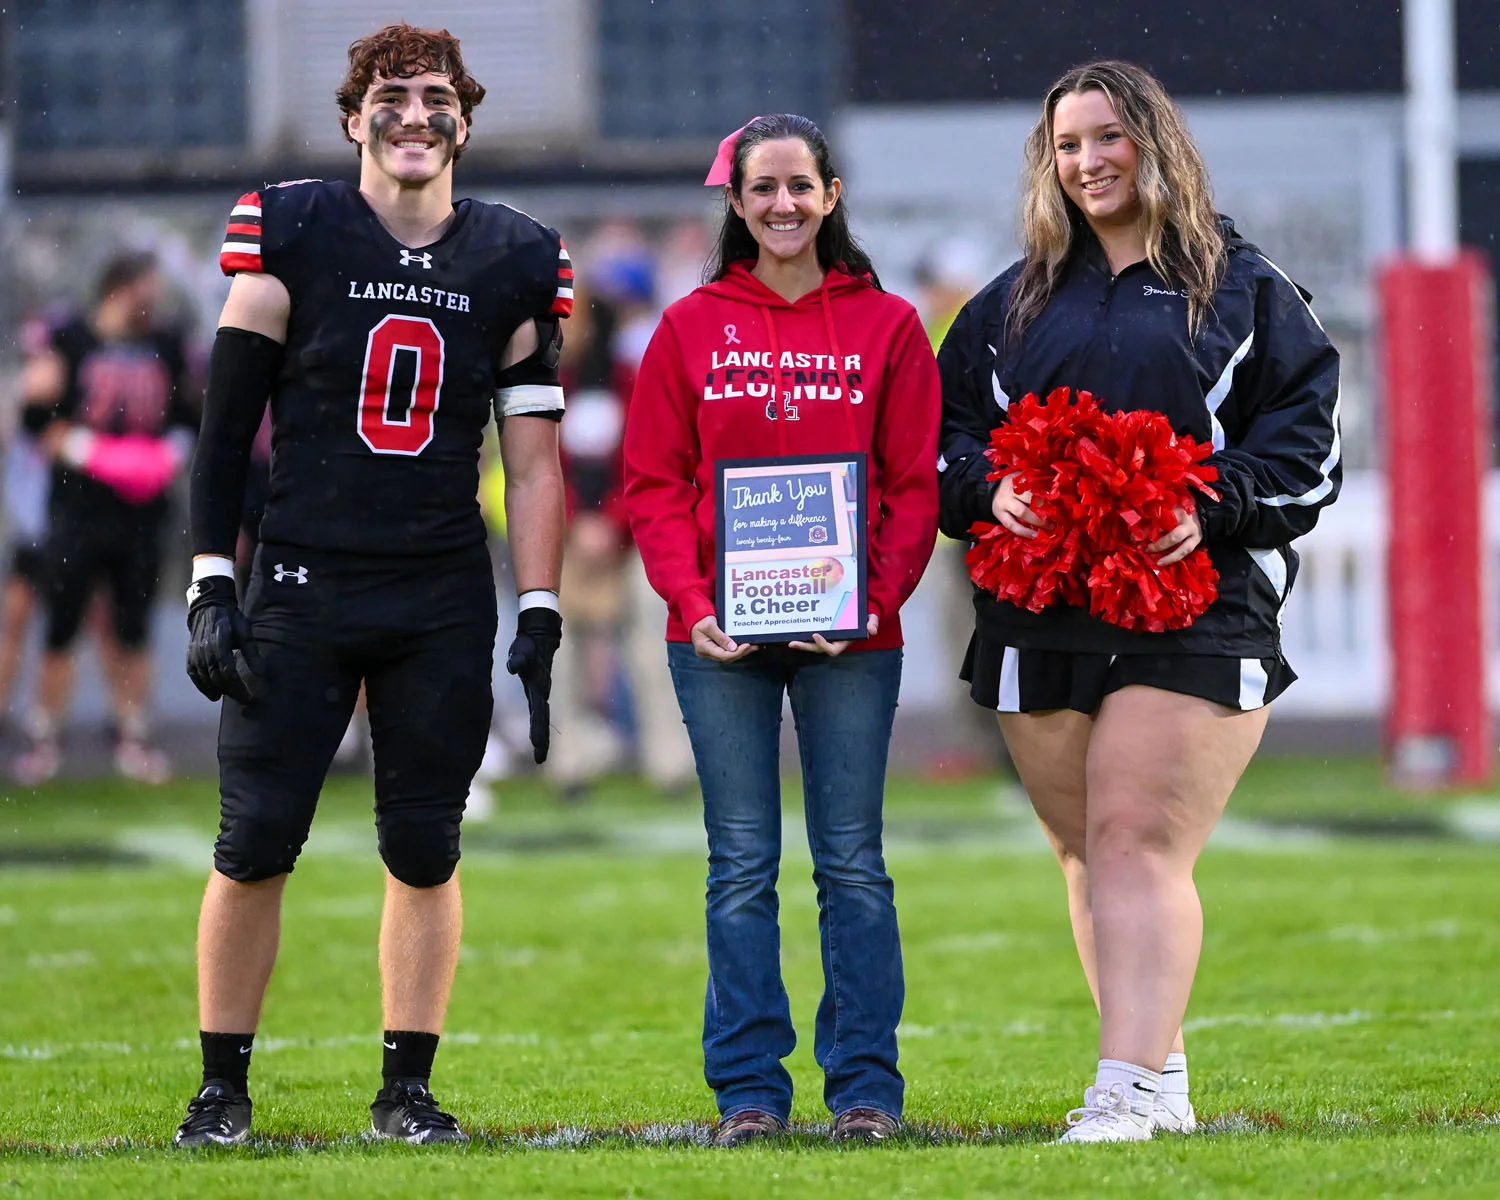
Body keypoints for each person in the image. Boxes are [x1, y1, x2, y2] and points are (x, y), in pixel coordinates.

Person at [172, 23, 568, 1148]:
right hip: (301, 580)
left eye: (436, 95)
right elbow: (224, 430)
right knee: (254, 837)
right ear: (353, 118)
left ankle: (406, 1088)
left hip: (440, 590)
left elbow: (533, 459)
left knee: (425, 843)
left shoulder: (515, 254)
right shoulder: (291, 228)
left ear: (465, 121)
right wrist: (213, 581)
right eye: (389, 95)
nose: (413, 113)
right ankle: (221, 1086)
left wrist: (538, 608)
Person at [937, 61, 1341, 1142]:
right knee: (1086, 854)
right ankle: (1156, 1072)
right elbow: (938, 444)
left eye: (1107, 137)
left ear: (1155, 141)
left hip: (1200, 607)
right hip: (1042, 611)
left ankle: (1117, 1091)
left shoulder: (1245, 287)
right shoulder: (1010, 300)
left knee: (1131, 841)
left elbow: (1306, 450)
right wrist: (990, 490)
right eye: (1067, 146)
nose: (1088, 163)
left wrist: (1210, 506)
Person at [623, 113, 940, 1146]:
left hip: (856, 640)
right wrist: (692, 601)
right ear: (738, 201)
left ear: (832, 193)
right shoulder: (689, 328)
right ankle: (749, 1092)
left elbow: (910, 489)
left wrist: (872, 604)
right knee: (740, 864)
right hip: (719, 638)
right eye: (763, 189)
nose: (784, 205)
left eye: (801, 185)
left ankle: (866, 1092)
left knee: (852, 863)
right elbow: (653, 486)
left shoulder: (889, 327)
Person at [17, 254, 197, 785]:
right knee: (62, 625)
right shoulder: (70, 339)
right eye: (147, 289)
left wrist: (165, 455)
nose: (154, 301)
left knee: (133, 627)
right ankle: (45, 737)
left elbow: (190, 415)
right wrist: (95, 453)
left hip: (140, 514)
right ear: (119, 288)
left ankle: (134, 736)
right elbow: (37, 419)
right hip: (77, 508)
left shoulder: (165, 344)